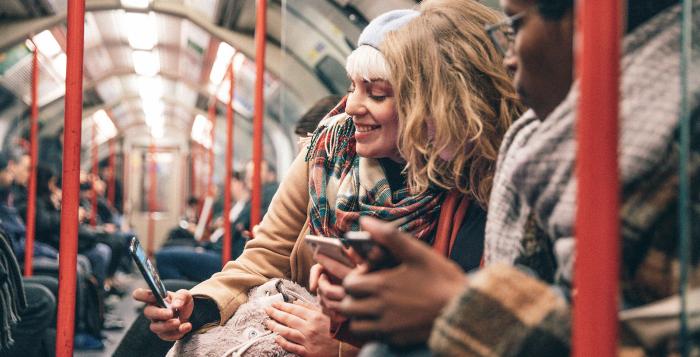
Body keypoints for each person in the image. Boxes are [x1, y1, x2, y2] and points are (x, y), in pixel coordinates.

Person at [134, 6, 520, 356]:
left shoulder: (471, 192)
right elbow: (266, 255)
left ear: (425, 104)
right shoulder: (327, 151)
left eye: (377, 93)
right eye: (353, 87)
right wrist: (198, 306)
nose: (352, 106)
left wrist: (341, 348)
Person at [337, 0, 698, 355]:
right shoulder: (520, 163)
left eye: (515, 26)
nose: (508, 57)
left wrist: (462, 307)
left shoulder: (675, 158)